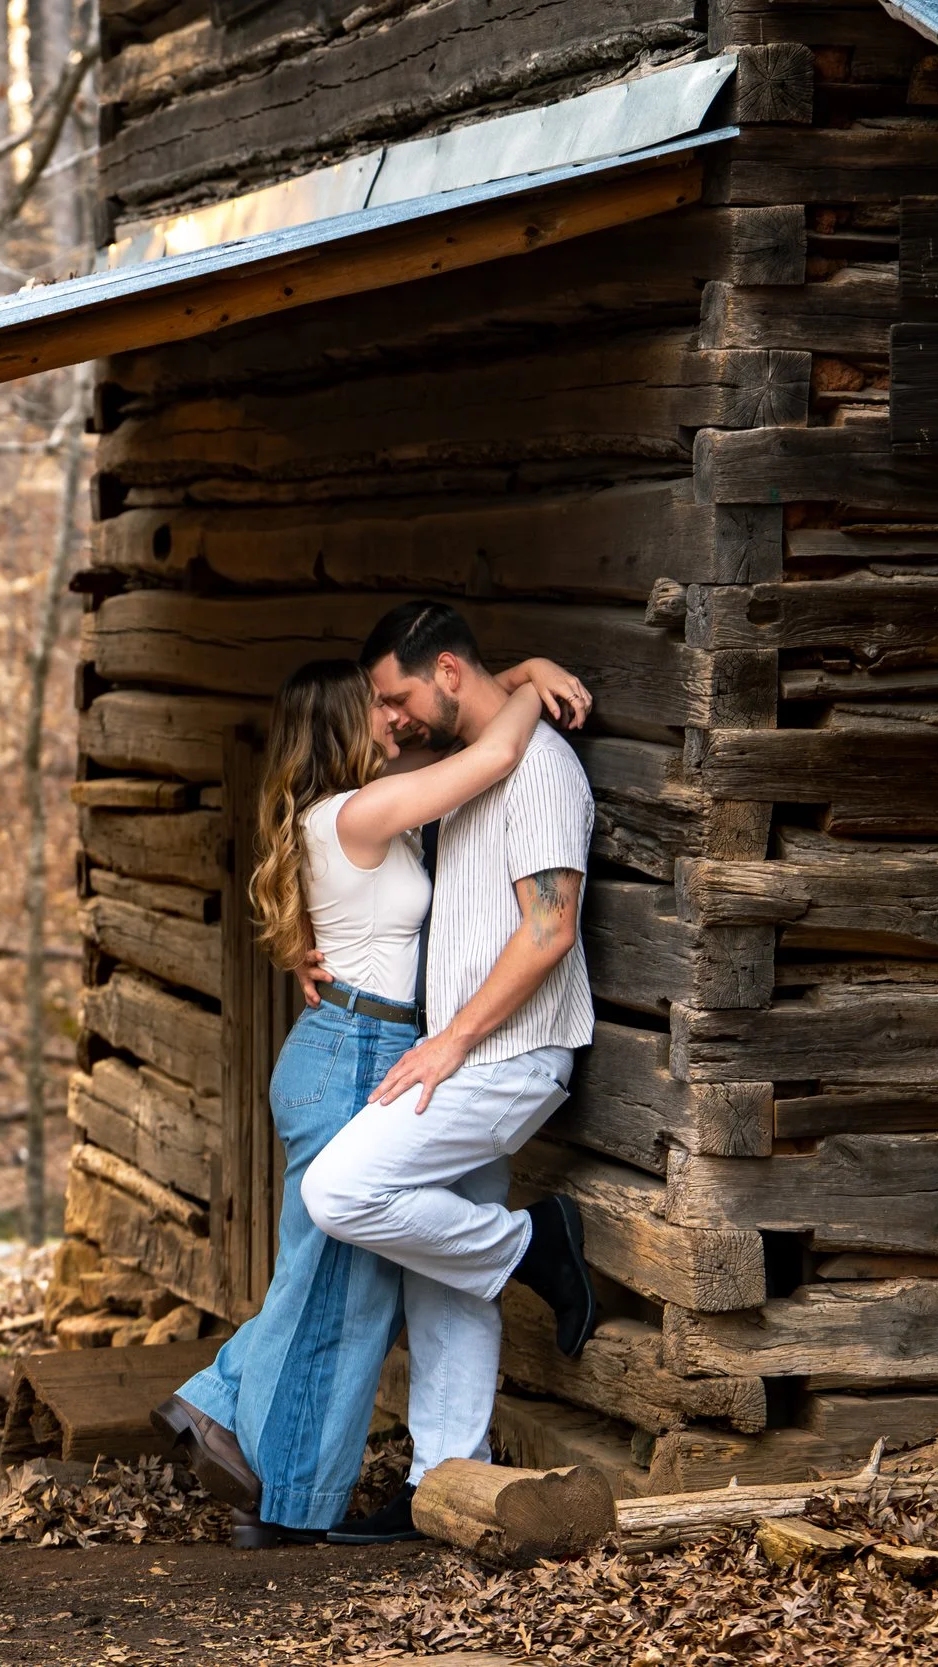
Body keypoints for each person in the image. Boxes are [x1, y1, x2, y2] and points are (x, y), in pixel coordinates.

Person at [152, 646, 590, 1548]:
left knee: (330, 1281)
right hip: (356, 1047)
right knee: (333, 1288)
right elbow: (493, 756)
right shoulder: (362, 808)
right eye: (376, 709)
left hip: (348, 1042)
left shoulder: (355, 809)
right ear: (343, 727)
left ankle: (268, 1476)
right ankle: (262, 1466)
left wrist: (503, 675)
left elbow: (452, 739)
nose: (393, 721)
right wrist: (529, 677)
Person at [295, 598, 603, 1544]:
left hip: (509, 1055)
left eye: (395, 699)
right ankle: (442, 1487)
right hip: (463, 1049)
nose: (385, 720)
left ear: (449, 674)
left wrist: (454, 1038)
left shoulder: (541, 770)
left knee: (338, 1191)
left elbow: (549, 929)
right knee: (441, 1278)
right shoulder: (454, 773)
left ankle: (537, 1248)